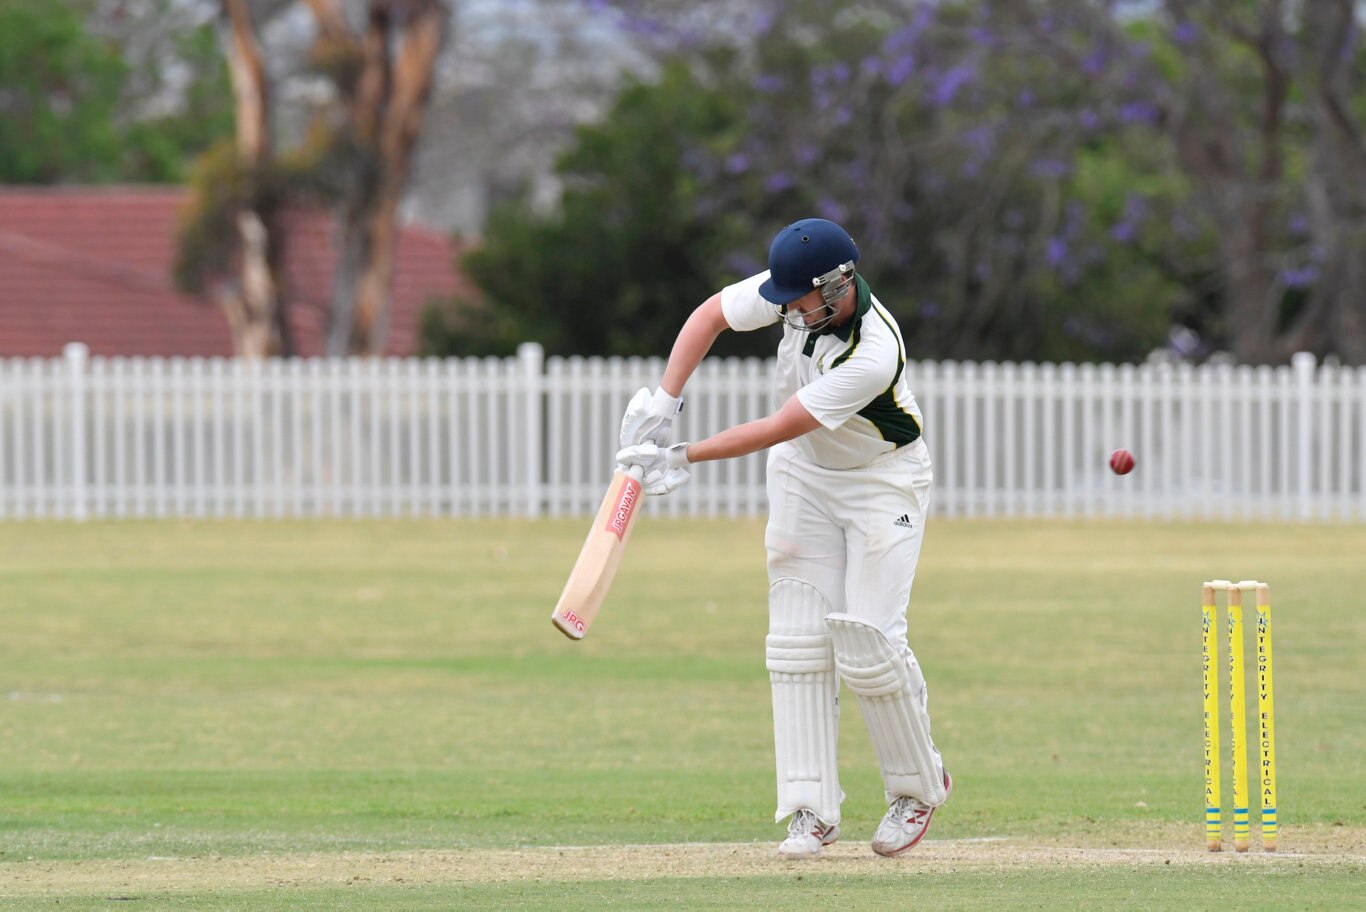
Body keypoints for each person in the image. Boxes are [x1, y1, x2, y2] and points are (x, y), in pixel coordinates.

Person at [615, 218, 950, 859]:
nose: (788, 312)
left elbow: (778, 424)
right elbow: (710, 315)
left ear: (838, 286)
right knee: (797, 636)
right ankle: (809, 812)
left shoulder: (873, 351)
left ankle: (918, 786)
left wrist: (682, 456)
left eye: (799, 301)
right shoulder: (795, 295)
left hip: (883, 481)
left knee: (869, 640)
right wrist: (665, 400)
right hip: (804, 471)